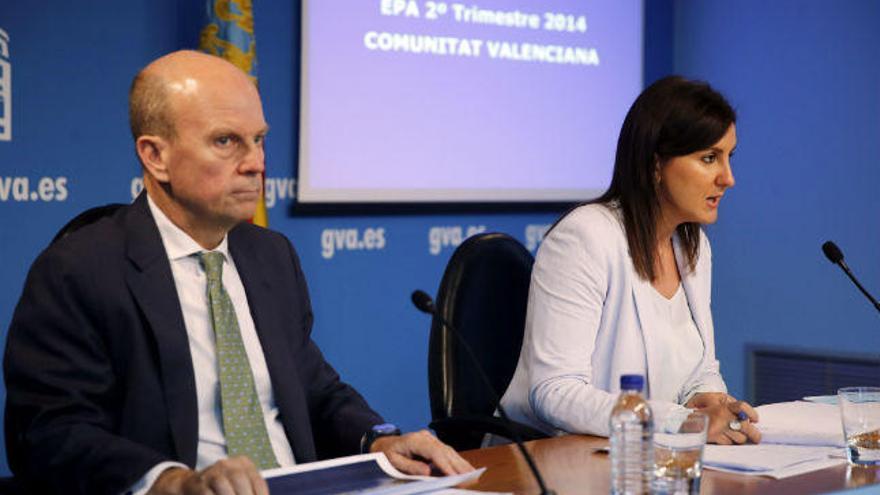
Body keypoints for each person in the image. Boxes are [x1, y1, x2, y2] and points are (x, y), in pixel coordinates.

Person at [3, 50, 472, 495]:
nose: (255, 164)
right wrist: (170, 481)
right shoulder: (78, 270)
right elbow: (50, 432)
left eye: (259, 139)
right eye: (226, 141)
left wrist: (381, 440)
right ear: (155, 156)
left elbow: (314, 388)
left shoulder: (270, 255)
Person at [499, 76, 761, 445]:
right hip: (552, 457)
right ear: (656, 164)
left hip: (650, 454)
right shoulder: (585, 238)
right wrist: (680, 421)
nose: (728, 178)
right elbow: (554, 392)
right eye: (709, 158)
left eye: (728, 157)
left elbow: (700, 371)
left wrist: (712, 402)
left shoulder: (692, 245)